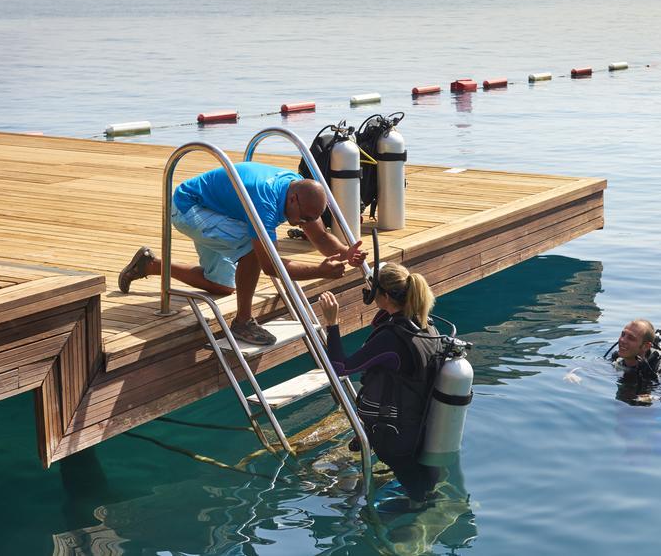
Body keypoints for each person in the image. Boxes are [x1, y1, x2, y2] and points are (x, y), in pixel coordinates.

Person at [118, 161, 365, 345]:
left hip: (219, 209)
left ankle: (150, 265)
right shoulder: (265, 202)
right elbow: (270, 266)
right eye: (305, 218)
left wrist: (346, 252)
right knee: (252, 251)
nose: (305, 224)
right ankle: (243, 322)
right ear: (292, 201)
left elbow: (320, 237)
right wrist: (319, 271)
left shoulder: (297, 192)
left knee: (221, 285)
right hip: (189, 208)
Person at [318, 262, 441, 503]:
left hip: (397, 439)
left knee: (420, 500)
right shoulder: (425, 326)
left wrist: (332, 323)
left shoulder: (391, 339)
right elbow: (382, 316)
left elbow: (340, 368)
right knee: (422, 485)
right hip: (421, 428)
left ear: (384, 296)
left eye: (373, 290)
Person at [609, 319, 661, 403]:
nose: (622, 340)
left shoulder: (651, 374)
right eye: (623, 334)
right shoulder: (616, 359)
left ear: (646, 346)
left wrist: (650, 398)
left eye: (631, 338)